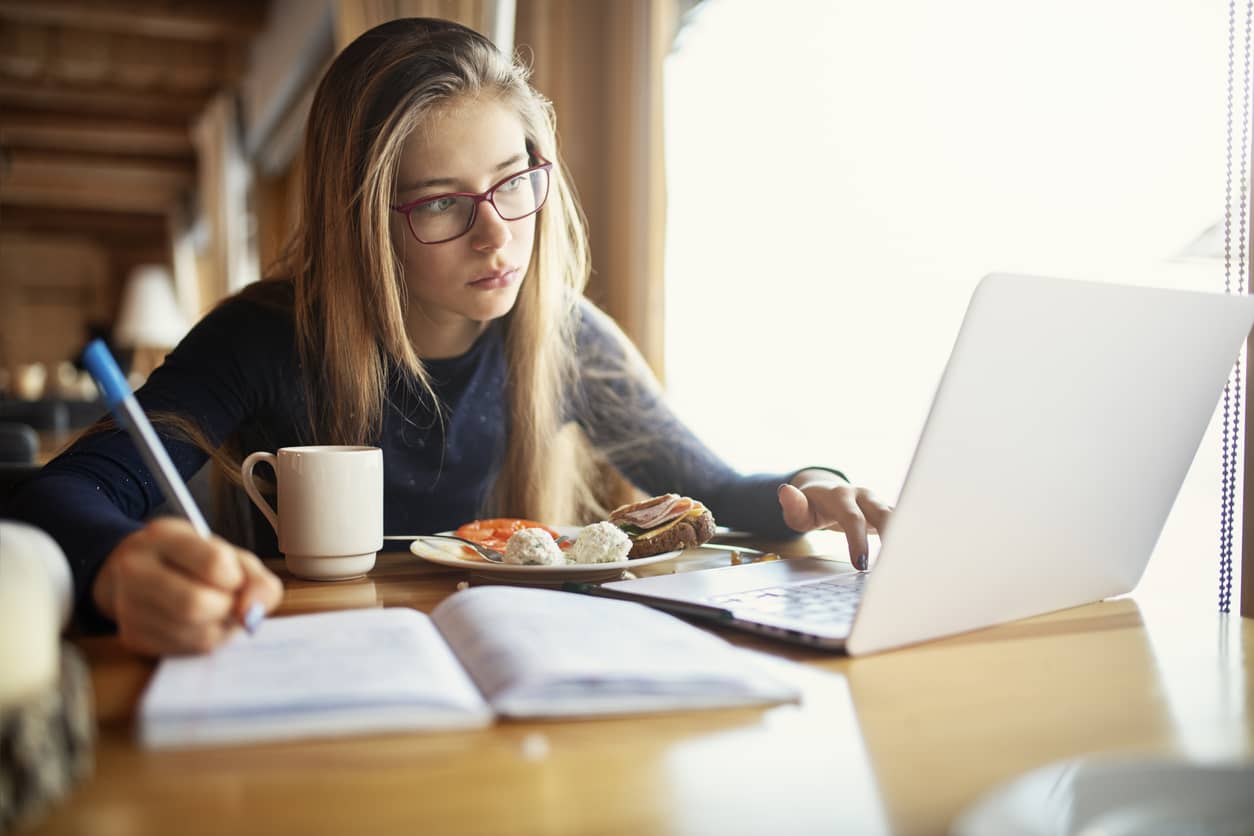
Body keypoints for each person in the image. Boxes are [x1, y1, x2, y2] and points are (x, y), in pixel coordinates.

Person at [5, 18, 892, 656]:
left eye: (513, 182)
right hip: (314, 668)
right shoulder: (264, 336)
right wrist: (120, 564)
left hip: (518, 668)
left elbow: (714, 491)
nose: (497, 235)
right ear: (365, 223)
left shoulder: (567, 337)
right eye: (439, 202)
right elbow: (59, 494)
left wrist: (816, 485)